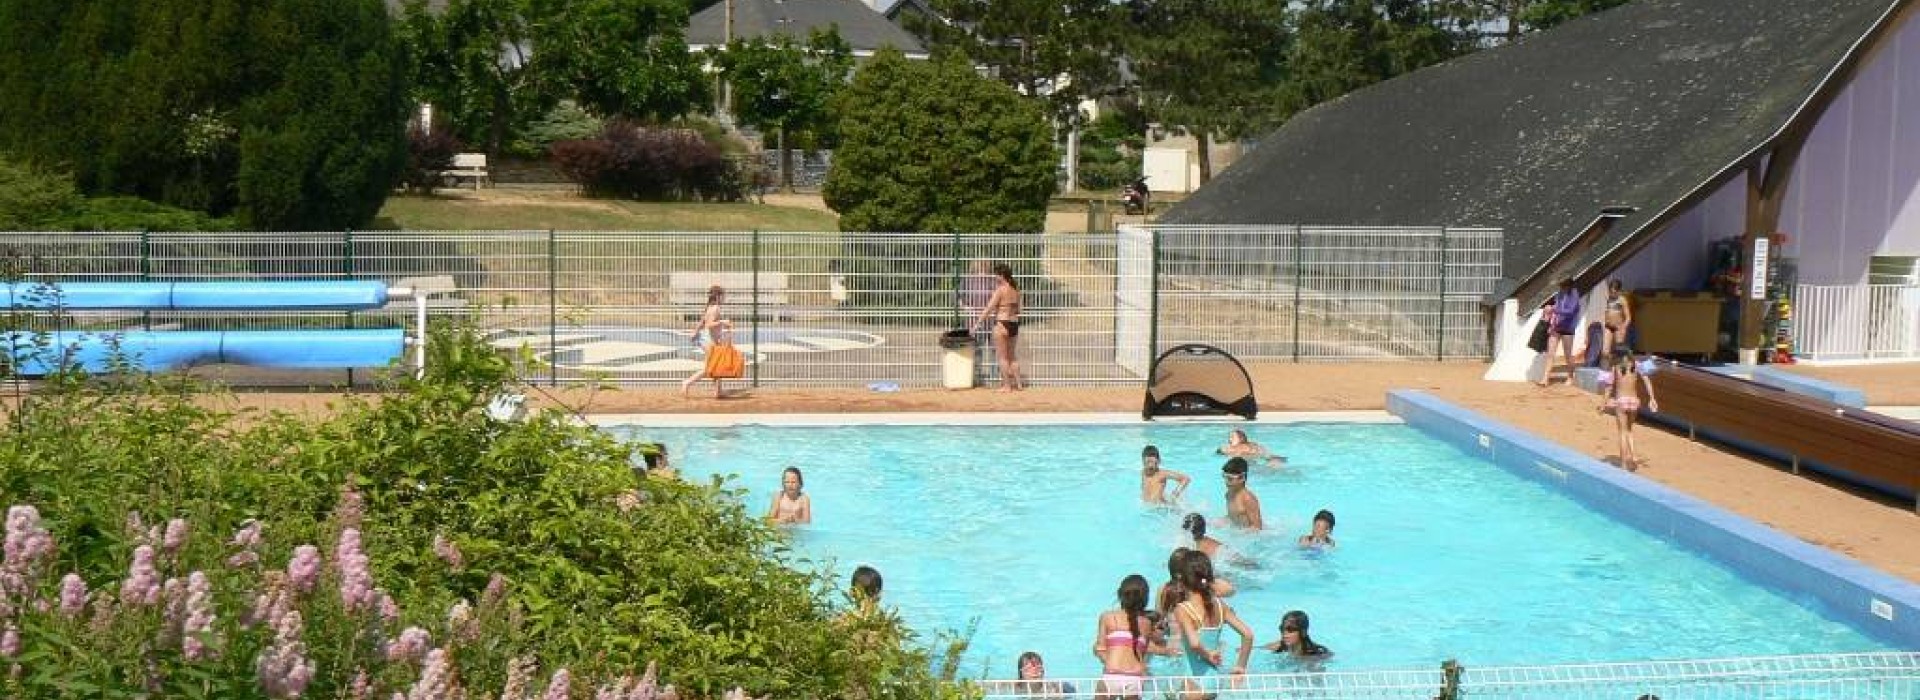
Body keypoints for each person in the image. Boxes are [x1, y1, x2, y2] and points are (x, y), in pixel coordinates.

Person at [1172, 552, 1255, 700]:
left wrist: (1208, 655)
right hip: (1214, 681)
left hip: (1194, 680)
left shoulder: (1183, 609)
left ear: (1182, 579)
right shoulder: (1219, 604)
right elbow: (1248, 634)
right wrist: (1240, 667)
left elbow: (1195, 643)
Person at [1093, 574, 1168, 699]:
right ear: (1145, 599)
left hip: (1112, 674)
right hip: (1135, 676)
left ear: (1120, 595)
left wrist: (1108, 658)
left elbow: (1100, 648)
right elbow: (1141, 652)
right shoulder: (1147, 623)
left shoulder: (1108, 617)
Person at [682, 285, 744, 398]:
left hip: (709, 339)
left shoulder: (710, 307)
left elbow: (702, 321)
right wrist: (722, 322)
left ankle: (718, 391)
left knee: (717, 365)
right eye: (723, 296)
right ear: (718, 296)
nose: (724, 298)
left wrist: (695, 332)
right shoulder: (715, 308)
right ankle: (687, 382)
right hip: (708, 340)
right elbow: (709, 324)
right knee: (711, 367)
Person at [973, 262, 1026, 392]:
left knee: (1002, 357)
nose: (995, 277)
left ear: (1002, 275)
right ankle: (1019, 385)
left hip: (1002, 323)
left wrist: (978, 323)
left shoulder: (1000, 290)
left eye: (997, 275)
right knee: (1012, 356)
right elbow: (1020, 310)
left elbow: (988, 308)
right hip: (1014, 323)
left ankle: (1007, 386)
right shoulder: (1016, 290)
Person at [1604, 354, 1659, 471]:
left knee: (1622, 432)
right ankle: (1633, 456)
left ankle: (1624, 464)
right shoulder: (1637, 365)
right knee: (1629, 430)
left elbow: (1608, 387)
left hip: (1621, 401)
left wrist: (1603, 403)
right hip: (1634, 401)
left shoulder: (1615, 368)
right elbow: (1647, 381)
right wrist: (1652, 398)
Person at [1538, 278, 1584, 387]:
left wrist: (1555, 310)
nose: (1561, 288)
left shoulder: (1574, 294)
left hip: (1568, 328)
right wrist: (1551, 310)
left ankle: (1570, 376)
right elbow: (1557, 307)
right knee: (1550, 353)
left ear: (1568, 286)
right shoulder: (1559, 294)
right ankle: (1545, 378)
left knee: (1567, 354)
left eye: (1562, 286)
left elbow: (1570, 311)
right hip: (1556, 326)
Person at [1261, 610, 1331, 660]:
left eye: (1291, 630)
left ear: (1303, 632)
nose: (1285, 634)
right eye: (1282, 629)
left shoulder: (1316, 654)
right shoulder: (1277, 646)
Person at [1221, 458, 1263, 531]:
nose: (1226, 482)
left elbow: (1258, 528)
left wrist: (1241, 535)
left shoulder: (1248, 499)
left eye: (1230, 479)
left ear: (1242, 478)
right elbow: (1233, 517)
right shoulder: (1229, 494)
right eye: (1224, 477)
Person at [1602, 279, 1633, 361]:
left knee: (1619, 351)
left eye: (1614, 292)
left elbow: (1628, 317)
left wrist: (1624, 327)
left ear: (1619, 291)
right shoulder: (1609, 299)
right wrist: (1606, 320)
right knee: (1605, 351)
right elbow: (1607, 311)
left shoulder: (1622, 300)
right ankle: (1610, 365)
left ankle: (1619, 368)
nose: (1612, 294)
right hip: (1609, 326)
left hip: (1619, 327)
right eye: (1610, 292)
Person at [1217, 430, 1284, 468]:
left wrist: (1220, 450)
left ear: (1241, 438)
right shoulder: (1254, 445)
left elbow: (1221, 451)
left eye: (1232, 437)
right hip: (1258, 458)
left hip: (1245, 461)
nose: (1229, 439)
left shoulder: (1233, 448)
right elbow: (1265, 454)